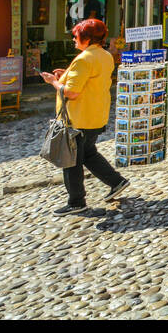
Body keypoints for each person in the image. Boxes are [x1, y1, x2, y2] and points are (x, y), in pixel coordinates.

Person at [41, 18, 130, 213]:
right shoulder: (104, 55)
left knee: (71, 160)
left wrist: (52, 82)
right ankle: (116, 181)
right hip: (95, 115)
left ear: (87, 38)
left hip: (78, 118)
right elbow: (91, 80)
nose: (73, 39)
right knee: (88, 153)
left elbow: (72, 92)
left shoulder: (83, 59)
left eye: (76, 36)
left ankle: (76, 202)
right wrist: (65, 75)